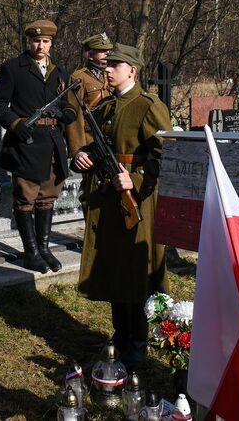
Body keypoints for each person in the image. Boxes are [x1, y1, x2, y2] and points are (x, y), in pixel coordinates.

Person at [73, 43, 172, 370]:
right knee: (115, 268)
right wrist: (81, 156)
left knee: (136, 273)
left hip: (137, 204)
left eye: (115, 65)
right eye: (107, 64)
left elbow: (166, 156)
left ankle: (138, 341)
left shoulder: (148, 106)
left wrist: (137, 179)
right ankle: (120, 333)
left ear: (132, 70)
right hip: (109, 202)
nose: (108, 69)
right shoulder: (104, 107)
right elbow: (95, 145)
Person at [0, 19, 77, 273]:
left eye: (46, 41)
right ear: (29, 42)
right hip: (26, 143)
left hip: (52, 143)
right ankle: (31, 252)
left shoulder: (60, 72)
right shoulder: (12, 68)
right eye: (36, 41)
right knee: (26, 198)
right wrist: (16, 123)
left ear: (52, 43)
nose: (41, 46)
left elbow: (69, 104)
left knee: (47, 199)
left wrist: (67, 114)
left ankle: (45, 248)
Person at [65, 32, 114, 157]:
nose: (107, 53)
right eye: (102, 51)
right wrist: (78, 150)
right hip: (90, 140)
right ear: (90, 55)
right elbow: (74, 115)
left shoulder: (113, 75)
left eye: (108, 50)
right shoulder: (79, 78)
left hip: (111, 138)